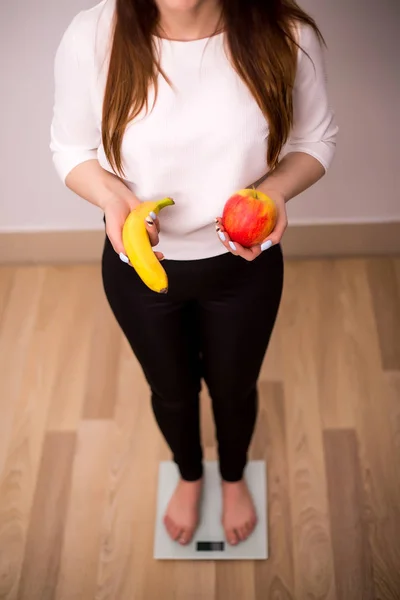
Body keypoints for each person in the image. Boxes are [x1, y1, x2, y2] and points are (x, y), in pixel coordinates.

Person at [50, 0, 338, 547]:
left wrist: (274, 193)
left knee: (234, 389)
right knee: (172, 391)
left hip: (244, 269)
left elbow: (313, 140)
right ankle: (189, 473)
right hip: (140, 270)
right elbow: (71, 148)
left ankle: (232, 477)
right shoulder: (92, 35)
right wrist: (114, 198)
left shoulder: (286, 31)